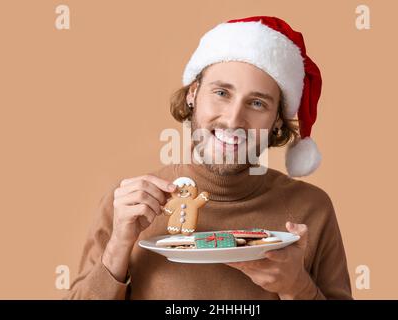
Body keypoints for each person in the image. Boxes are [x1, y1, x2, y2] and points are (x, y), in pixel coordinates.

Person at [66, 16, 352, 300]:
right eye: (221, 92)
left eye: (257, 103)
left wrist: (298, 289)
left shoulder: (312, 209)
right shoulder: (129, 205)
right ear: (193, 94)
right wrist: (118, 246)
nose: (233, 119)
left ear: (277, 121)